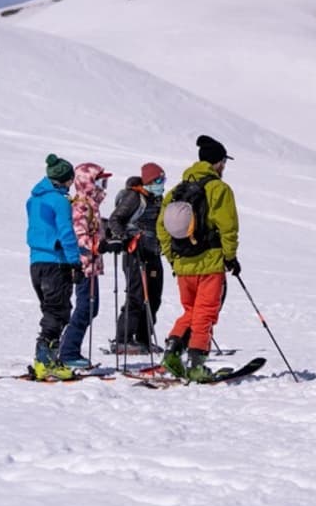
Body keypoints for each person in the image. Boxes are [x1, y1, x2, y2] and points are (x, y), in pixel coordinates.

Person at [158, 135, 240, 382]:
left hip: (183, 264)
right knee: (205, 312)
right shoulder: (219, 189)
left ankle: (172, 353)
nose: (224, 166)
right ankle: (196, 364)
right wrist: (230, 257)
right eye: (223, 161)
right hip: (210, 262)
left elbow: (162, 228)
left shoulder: (175, 191)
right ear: (218, 162)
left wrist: (173, 257)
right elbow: (228, 227)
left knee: (190, 310)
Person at [25, 154, 82, 380]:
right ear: (66, 179)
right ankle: (45, 360)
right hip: (55, 262)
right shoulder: (59, 201)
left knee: (50, 310)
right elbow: (66, 232)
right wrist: (74, 261)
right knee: (58, 311)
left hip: (36, 262)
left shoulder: (34, 199)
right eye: (71, 179)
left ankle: (46, 358)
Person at [58, 162, 117, 368]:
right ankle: (68, 351)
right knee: (87, 307)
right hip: (84, 264)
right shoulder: (81, 204)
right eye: (101, 181)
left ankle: (67, 349)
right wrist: (100, 246)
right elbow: (79, 235)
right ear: (88, 182)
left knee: (90, 307)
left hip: (90, 263)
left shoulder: (91, 204)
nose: (104, 187)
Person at [108, 162, 166, 352]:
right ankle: (123, 339)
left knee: (154, 297)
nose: (162, 183)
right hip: (135, 253)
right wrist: (126, 238)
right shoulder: (135, 196)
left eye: (163, 179)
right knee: (136, 296)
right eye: (158, 180)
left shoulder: (157, 199)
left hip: (153, 252)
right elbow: (115, 219)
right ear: (149, 180)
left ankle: (143, 338)